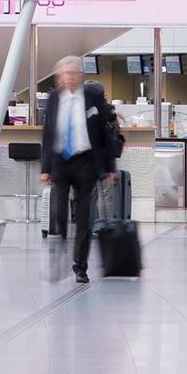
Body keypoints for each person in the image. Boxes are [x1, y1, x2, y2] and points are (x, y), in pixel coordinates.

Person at [37, 56, 122, 281]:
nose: (69, 78)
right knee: (59, 211)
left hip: (86, 161)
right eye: (65, 74)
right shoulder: (53, 98)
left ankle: (80, 266)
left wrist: (108, 167)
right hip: (61, 161)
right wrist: (45, 168)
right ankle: (61, 245)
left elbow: (105, 135)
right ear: (58, 78)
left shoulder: (93, 96)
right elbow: (47, 134)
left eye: (73, 73)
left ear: (80, 76)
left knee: (84, 217)